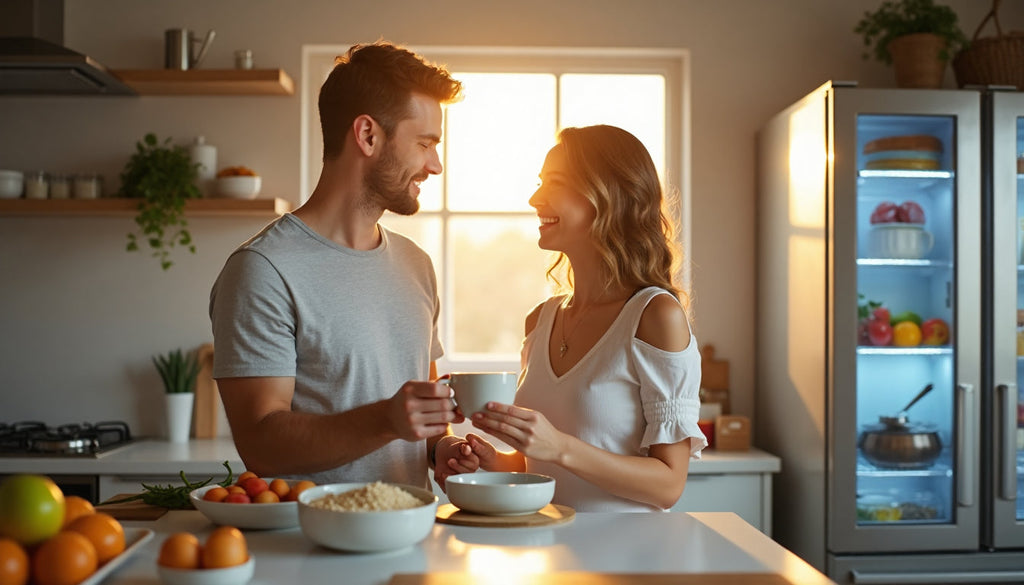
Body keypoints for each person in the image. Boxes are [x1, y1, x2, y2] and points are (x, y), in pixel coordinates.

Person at [208, 41, 471, 488]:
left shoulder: (416, 266)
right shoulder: (264, 269)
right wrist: (385, 420)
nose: (436, 165)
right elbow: (260, 444)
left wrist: (440, 449)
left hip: (409, 537)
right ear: (367, 135)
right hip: (308, 549)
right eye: (425, 143)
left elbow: (416, 418)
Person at [438, 125, 707, 511]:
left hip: (629, 561)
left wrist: (561, 446)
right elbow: (548, 465)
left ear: (607, 198)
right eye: (539, 183)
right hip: (551, 551)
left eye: (555, 183)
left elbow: (668, 484)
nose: (534, 198)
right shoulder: (540, 321)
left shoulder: (654, 315)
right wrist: (494, 461)